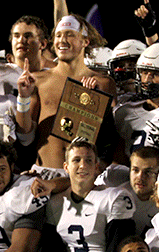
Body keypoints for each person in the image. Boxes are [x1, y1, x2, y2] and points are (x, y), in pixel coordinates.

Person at [44, 138, 135, 252]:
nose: (83, 165)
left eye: (88, 160)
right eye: (76, 160)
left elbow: (121, 245)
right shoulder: (56, 203)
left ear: (97, 167)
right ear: (66, 167)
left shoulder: (113, 197)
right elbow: (53, 250)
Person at [17, 15, 115, 171]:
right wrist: (23, 98)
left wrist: (96, 100)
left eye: (69, 34)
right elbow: (25, 137)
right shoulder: (38, 80)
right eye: (58, 35)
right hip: (46, 172)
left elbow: (111, 138)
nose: (62, 40)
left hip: (84, 175)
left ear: (85, 41)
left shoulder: (104, 83)